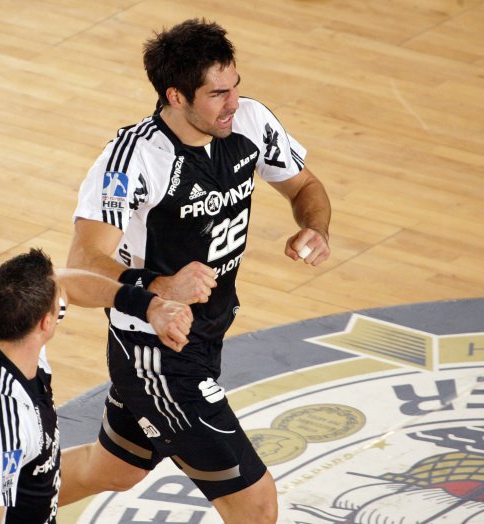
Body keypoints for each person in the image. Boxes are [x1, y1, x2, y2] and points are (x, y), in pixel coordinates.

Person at [61, 18, 331, 523]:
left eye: (235, 87)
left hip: (206, 338)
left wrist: (313, 227)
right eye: (217, 94)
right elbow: (79, 272)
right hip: (155, 351)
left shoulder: (249, 123)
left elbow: (305, 186)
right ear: (176, 95)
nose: (233, 103)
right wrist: (160, 286)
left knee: (113, 469)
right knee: (255, 504)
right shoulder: (132, 161)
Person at [0, 248, 192, 524]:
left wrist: (148, 305)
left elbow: (68, 284)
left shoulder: (8, 339)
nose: (63, 294)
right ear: (47, 321)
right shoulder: (1, 426)